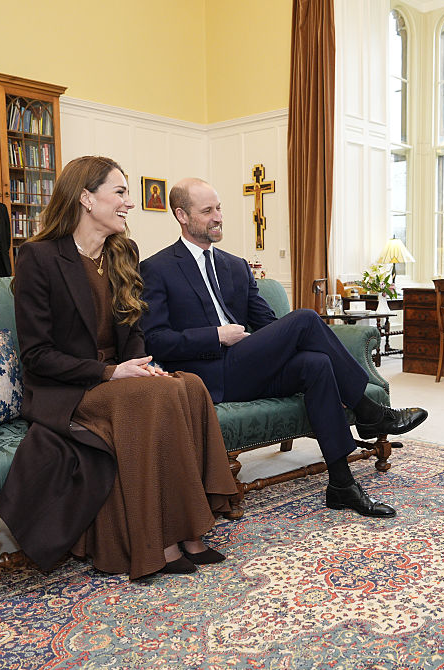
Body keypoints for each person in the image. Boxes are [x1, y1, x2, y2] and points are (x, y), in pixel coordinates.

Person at [0, 156, 237, 579]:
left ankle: (190, 531)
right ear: (87, 198)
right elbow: (36, 355)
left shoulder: (122, 251)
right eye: (120, 192)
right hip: (69, 388)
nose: (129, 203)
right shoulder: (39, 257)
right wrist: (111, 373)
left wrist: (140, 365)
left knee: (189, 385)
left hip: (122, 377)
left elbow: (134, 328)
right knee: (154, 393)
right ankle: (158, 541)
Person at [139, 177, 428, 518]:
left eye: (219, 208)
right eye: (207, 211)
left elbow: (268, 325)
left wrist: (281, 343)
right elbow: (155, 340)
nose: (218, 217)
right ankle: (368, 411)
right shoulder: (156, 269)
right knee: (305, 318)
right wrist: (216, 336)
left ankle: (341, 484)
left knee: (316, 364)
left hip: (248, 364)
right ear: (181, 216)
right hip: (211, 374)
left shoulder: (234, 265)